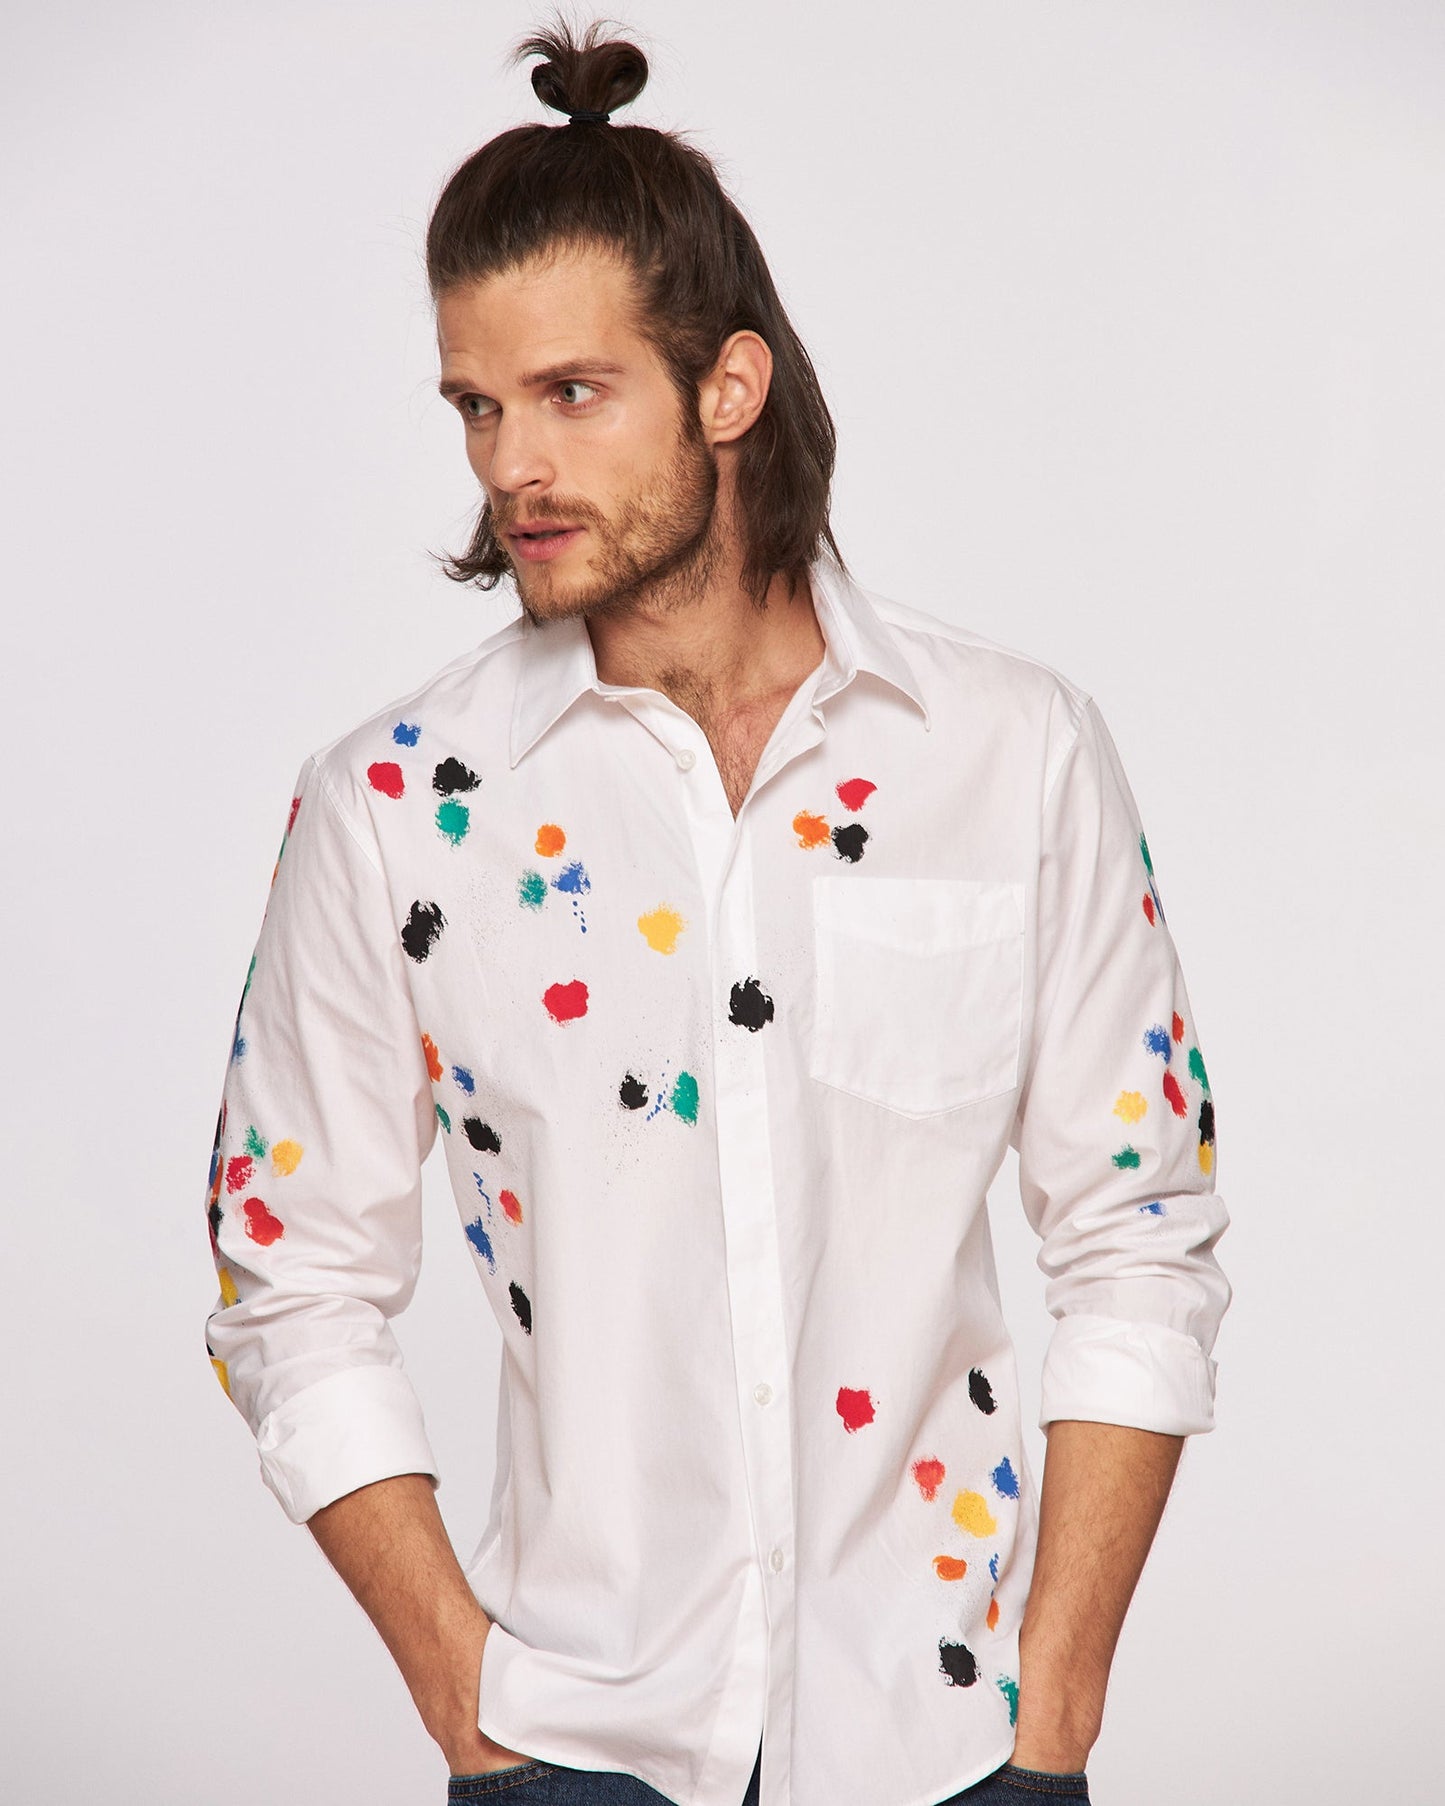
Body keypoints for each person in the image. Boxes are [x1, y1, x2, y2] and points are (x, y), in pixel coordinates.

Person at [202, 19, 1231, 1806]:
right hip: (572, 1745)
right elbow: (284, 1273)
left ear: (727, 388)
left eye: (571, 393)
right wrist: (468, 1695)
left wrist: (1050, 1713)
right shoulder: (392, 807)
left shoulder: (1009, 754)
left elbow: (1138, 1222)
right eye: (475, 404)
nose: (511, 464)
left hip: (947, 1742)